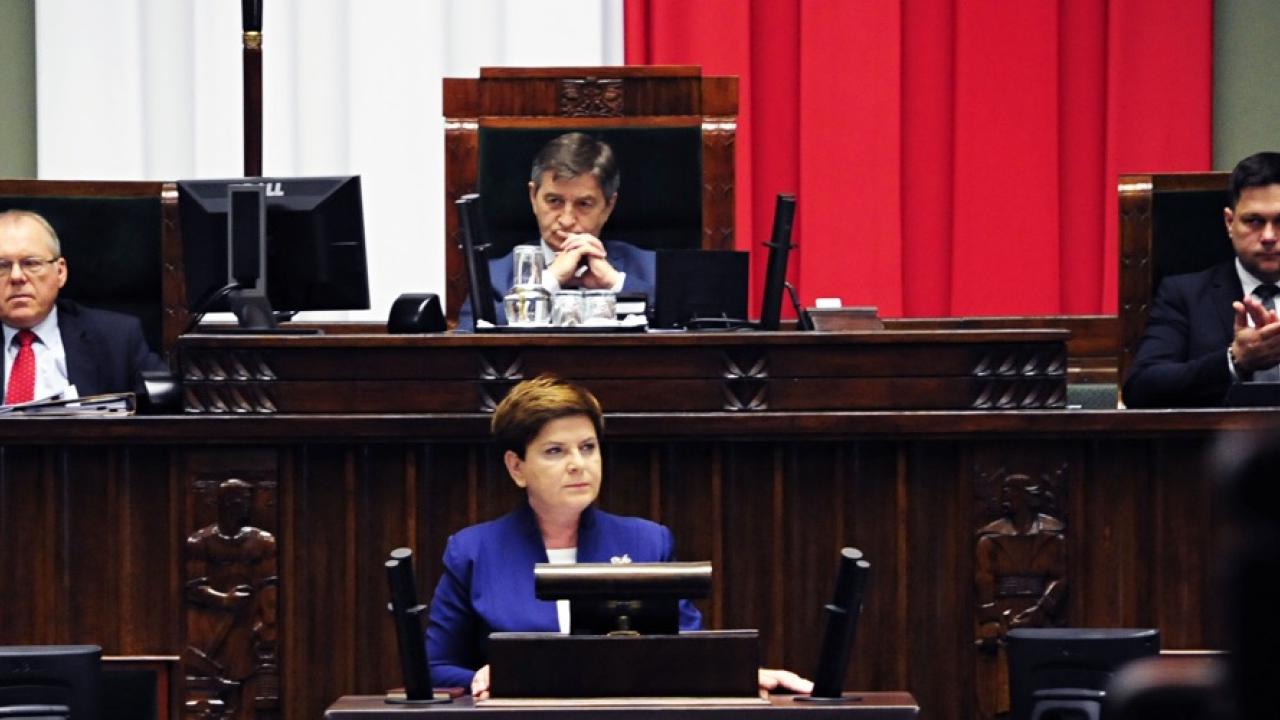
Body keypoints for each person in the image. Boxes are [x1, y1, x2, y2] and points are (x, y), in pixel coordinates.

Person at [425, 374, 812, 698]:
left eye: (588, 448)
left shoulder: (647, 542)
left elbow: (689, 653)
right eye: (555, 451)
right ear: (517, 467)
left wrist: (743, 675)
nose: (578, 464)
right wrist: (484, 677)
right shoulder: (473, 551)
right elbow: (433, 667)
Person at [1124, 151, 1280, 407]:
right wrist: (1235, 360)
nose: (1269, 236)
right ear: (1229, 223)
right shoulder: (1184, 294)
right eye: (1254, 221)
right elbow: (1141, 387)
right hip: (1214, 444)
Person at [458, 132, 657, 327]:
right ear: (533, 197)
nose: (567, 220)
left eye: (584, 204)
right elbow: (468, 344)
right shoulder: (494, 279)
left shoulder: (649, 269)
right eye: (554, 201)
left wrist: (614, 283)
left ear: (608, 206)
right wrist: (547, 283)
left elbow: (680, 324)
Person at [0, 209, 166, 403]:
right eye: (2, 266)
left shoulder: (117, 338)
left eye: (32, 263)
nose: (17, 276)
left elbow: (164, 408)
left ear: (60, 272)